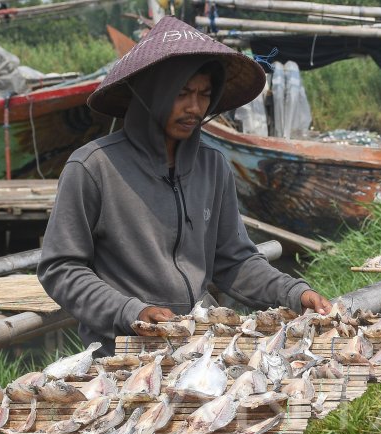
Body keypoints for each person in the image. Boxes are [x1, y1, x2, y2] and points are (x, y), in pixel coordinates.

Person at [38, 16, 331, 355]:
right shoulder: (92, 167)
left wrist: (294, 292)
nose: (195, 107)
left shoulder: (213, 165)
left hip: (199, 342)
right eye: (182, 93)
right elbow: (61, 268)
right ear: (152, 93)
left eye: (204, 94)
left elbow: (234, 261)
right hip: (123, 350)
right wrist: (130, 312)